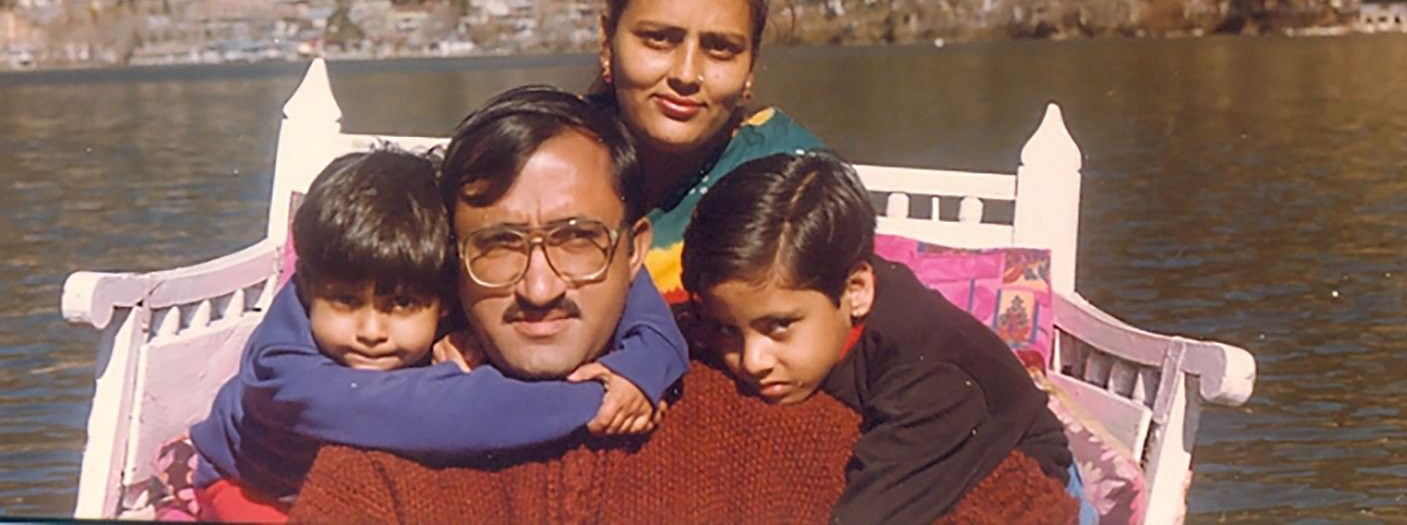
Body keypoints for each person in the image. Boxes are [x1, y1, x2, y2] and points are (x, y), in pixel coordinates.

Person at [291, 87, 1077, 523]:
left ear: (635, 249)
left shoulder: (778, 418)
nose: (537, 287)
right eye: (498, 246)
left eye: (576, 239)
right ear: (450, 269)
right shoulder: (382, 461)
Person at [186, 144, 687, 521]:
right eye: (343, 302)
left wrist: (644, 361)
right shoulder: (283, 372)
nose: (369, 331)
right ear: (312, 285)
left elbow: (627, 269)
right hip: (249, 485)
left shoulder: (413, 274)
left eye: (400, 304)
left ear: (445, 293)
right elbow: (450, 413)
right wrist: (593, 400)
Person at [681, 151, 1082, 525]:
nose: (753, 360)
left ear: (856, 290)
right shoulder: (822, 294)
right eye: (727, 329)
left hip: (1022, 475)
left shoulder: (925, 374)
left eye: (780, 326)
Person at [593, 0, 823, 301]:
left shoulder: (793, 178)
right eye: (659, 38)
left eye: (720, 49)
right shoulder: (547, 159)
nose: (685, 74)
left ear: (751, 65)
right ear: (607, 41)